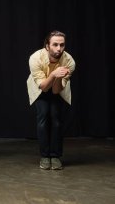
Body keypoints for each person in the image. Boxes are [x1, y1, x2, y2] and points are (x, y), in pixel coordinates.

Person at [27, 30, 76, 170]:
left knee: (56, 120)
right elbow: (43, 87)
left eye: (62, 45)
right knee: (42, 119)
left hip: (58, 89)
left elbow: (55, 91)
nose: (59, 49)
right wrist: (54, 73)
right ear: (47, 46)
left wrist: (57, 77)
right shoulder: (35, 58)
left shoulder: (69, 61)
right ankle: (44, 156)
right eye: (55, 44)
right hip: (40, 88)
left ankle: (55, 156)